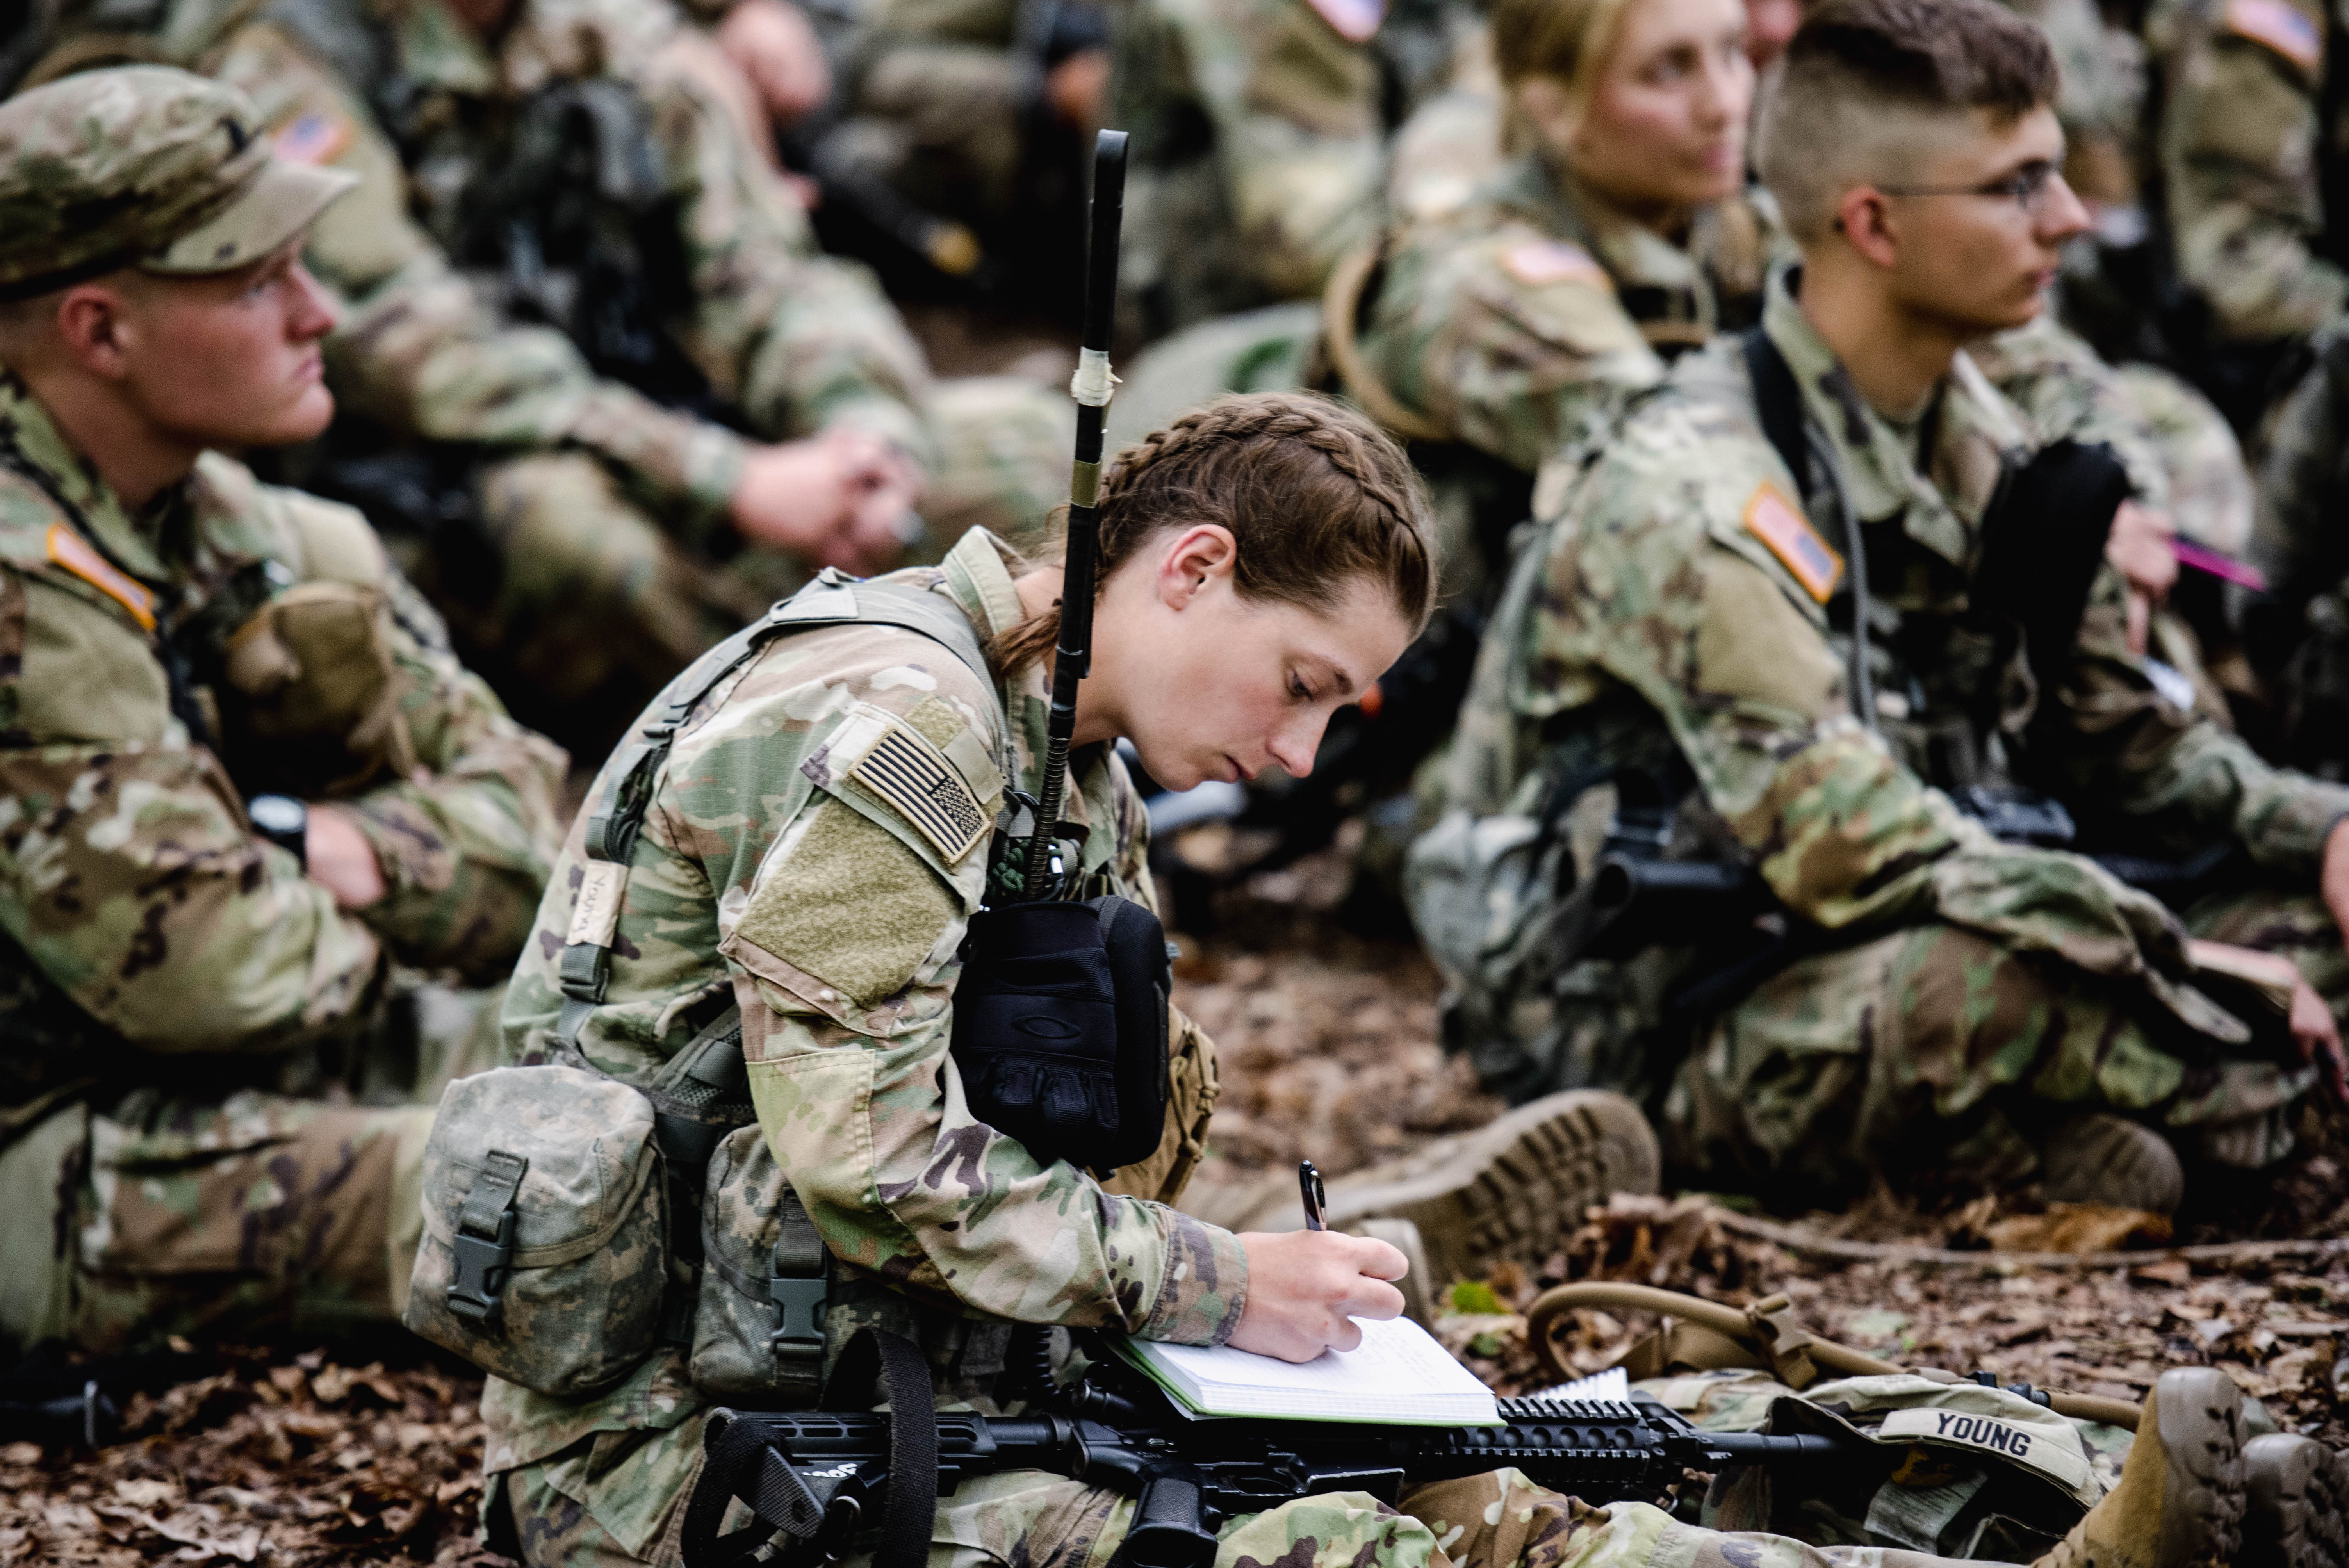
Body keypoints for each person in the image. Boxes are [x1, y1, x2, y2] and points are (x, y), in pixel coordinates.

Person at [482, 390, 1688, 1563]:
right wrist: (1217, 1282)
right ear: (1194, 568)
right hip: (685, 1458)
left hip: (925, 1380)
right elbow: (875, 1162)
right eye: (1302, 685)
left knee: (1489, 1491)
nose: (1299, 753)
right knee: (1328, 1551)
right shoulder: (902, 720)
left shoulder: (1071, 759)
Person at [1413, 0, 2349, 1215]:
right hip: (1676, 1012)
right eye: (2018, 187)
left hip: (1926, 915)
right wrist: (2172, 959)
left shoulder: (1990, 446)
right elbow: (1856, 848)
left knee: (2303, 925)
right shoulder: (1700, 495)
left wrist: (2316, 827)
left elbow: (2129, 746)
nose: (2069, 219)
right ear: (1873, 222)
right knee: (2021, 987)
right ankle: (2083, 1133)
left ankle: (2056, 1145)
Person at [0, 66, 567, 1354]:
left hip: (247, 1065)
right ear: (100, 332)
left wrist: (314, 849)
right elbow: (211, 974)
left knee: (656, 1063)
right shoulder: (24, 591)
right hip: (45, 1143)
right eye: (257, 281)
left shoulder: (240, 526)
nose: (319, 314)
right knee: (565, 1199)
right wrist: (405, 912)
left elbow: (537, 834)